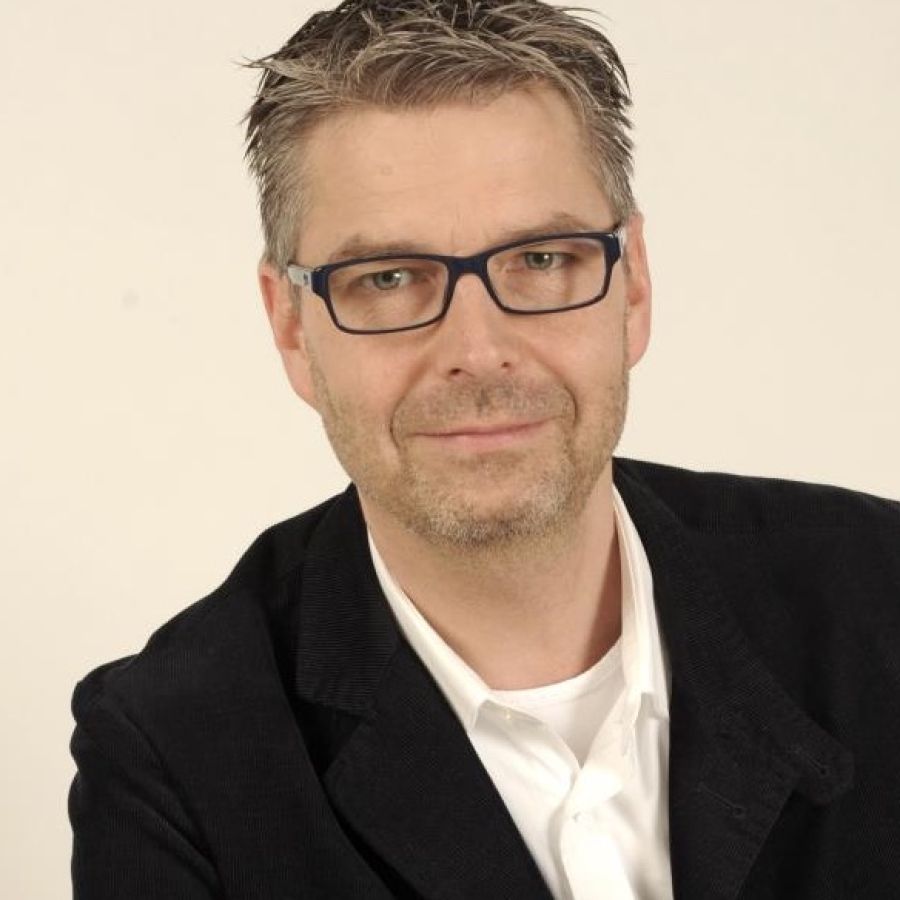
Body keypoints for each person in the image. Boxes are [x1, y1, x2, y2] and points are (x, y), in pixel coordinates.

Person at [68, 1, 900, 898]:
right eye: (388, 277)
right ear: (293, 327)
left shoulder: (882, 594)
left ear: (633, 286)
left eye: (540, 260)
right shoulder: (174, 758)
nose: (478, 349)